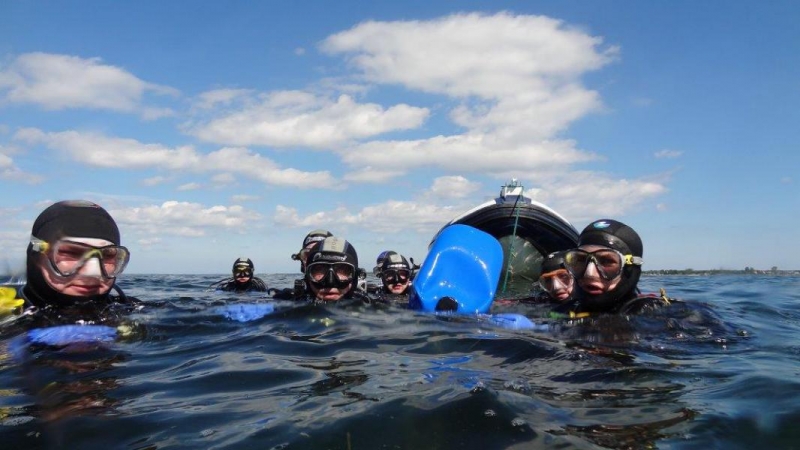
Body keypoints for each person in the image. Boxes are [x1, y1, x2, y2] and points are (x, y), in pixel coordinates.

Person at [553, 219, 667, 316]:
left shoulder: (655, 315)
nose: (589, 273)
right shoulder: (562, 312)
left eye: (607, 261)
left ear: (629, 269)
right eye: (581, 260)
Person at [303, 236, 368, 303]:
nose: (330, 282)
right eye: (319, 270)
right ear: (308, 277)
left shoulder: (368, 305)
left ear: (355, 277)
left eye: (343, 270)